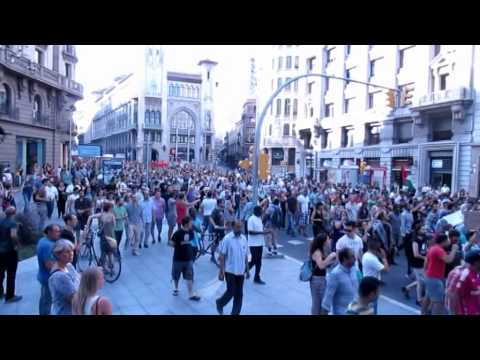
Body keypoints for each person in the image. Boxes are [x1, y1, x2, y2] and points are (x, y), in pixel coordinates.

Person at [216, 220, 249, 315]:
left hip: (241, 271)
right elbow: (222, 256)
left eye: (241, 227)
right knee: (231, 291)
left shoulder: (244, 238)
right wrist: (221, 271)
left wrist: (247, 270)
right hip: (230, 271)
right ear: (233, 227)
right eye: (238, 227)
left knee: (239, 294)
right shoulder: (227, 239)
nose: (240, 229)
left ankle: (235, 313)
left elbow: (246, 255)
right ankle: (220, 302)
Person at [424, 234, 459, 315]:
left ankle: (423, 313)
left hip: (431, 276)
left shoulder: (433, 248)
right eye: (447, 240)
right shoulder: (439, 250)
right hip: (435, 278)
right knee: (438, 303)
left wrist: (425, 272)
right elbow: (449, 260)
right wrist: (454, 250)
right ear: (443, 241)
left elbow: (426, 261)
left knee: (428, 297)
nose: (449, 242)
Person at [169, 216, 201, 301]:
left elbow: (191, 240)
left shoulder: (191, 232)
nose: (192, 224)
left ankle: (191, 294)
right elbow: (170, 243)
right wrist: (179, 244)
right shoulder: (178, 233)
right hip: (178, 258)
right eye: (191, 223)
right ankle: (176, 288)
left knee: (189, 275)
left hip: (188, 258)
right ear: (186, 224)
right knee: (176, 275)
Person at [321, 248, 359, 315]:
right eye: (352, 256)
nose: (355, 258)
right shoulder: (335, 274)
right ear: (344, 259)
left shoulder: (354, 269)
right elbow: (327, 300)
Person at [48, 240, 80, 315]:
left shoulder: (68, 265)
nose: (71, 254)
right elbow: (75, 300)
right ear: (58, 254)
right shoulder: (59, 277)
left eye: (72, 251)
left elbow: (78, 279)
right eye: (67, 252)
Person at [36, 224, 62, 315]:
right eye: (57, 231)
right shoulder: (48, 245)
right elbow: (49, 265)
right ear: (49, 232)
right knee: (47, 301)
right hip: (48, 278)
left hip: (43, 276)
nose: (59, 233)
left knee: (44, 300)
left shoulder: (43, 240)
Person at [309, 233, 337, 315]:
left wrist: (333, 261)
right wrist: (330, 256)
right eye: (328, 239)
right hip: (317, 280)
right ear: (324, 241)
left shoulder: (321, 249)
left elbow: (324, 264)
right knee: (317, 303)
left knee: (321, 302)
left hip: (321, 279)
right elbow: (321, 266)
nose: (329, 240)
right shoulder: (317, 252)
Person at [0, 207, 22, 303]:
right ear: (14, 213)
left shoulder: (1, 221)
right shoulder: (12, 223)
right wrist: (17, 245)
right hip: (9, 251)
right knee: (11, 274)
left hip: (1, 251)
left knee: (0, 273)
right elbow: (13, 235)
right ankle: (10, 296)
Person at [247, 206, 270, 285]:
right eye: (261, 211)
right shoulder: (251, 219)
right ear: (256, 211)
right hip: (253, 244)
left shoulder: (259, 219)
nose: (262, 212)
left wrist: (265, 231)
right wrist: (262, 233)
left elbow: (260, 230)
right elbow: (250, 232)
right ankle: (243, 271)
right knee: (254, 260)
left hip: (260, 243)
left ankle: (257, 277)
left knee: (259, 261)